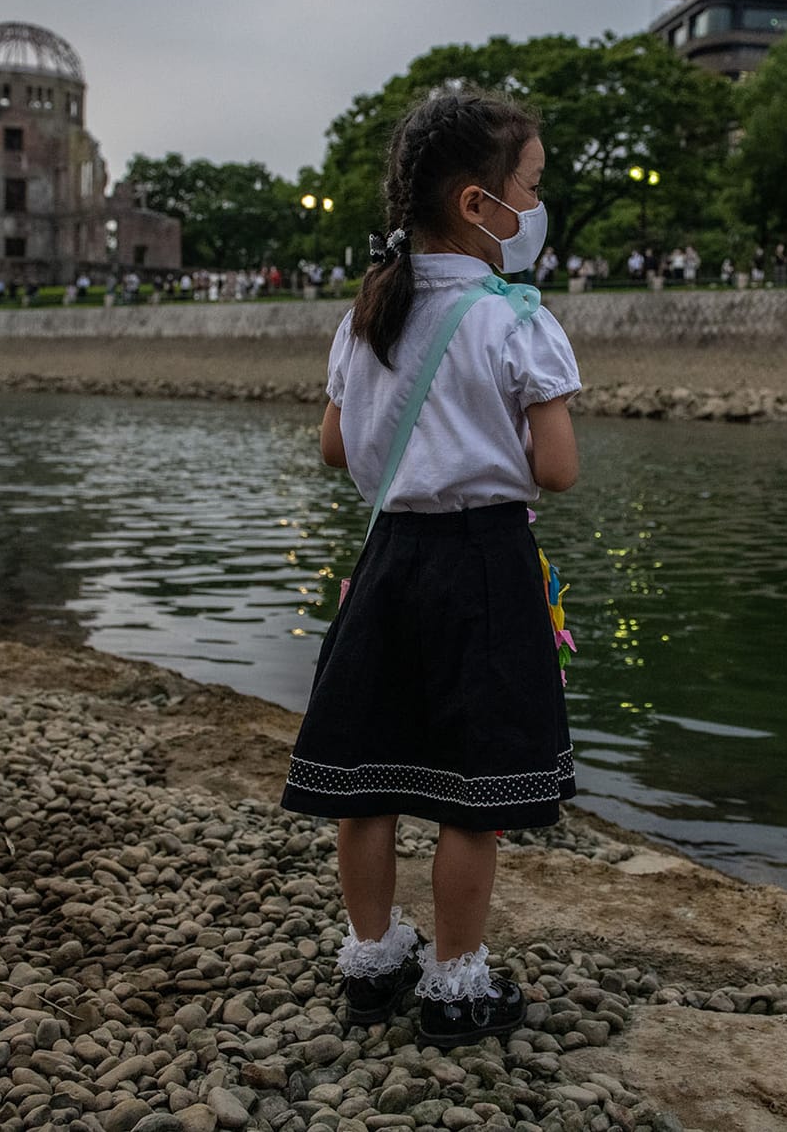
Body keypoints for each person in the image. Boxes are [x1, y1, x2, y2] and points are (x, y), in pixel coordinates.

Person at [281, 87, 581, 1049]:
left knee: (366, 777)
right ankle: (456, 982)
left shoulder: (368, 311)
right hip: (485, 564)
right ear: (476, 204)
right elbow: (557, 469)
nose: (537, 207)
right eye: (529, 187)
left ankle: (372, 960)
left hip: (388, 560)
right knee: (472, 790)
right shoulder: (513, 319)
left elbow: (335, 447)